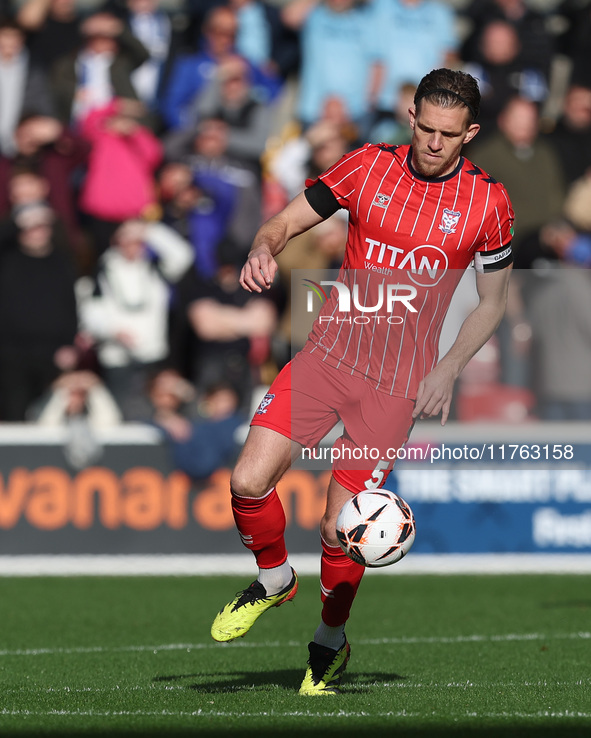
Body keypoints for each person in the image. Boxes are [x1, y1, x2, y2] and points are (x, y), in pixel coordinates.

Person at [209, 68, 515, 695]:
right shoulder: (366, 166)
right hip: (328, 355)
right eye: (425, 128)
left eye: (447, 134)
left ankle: (329, 639)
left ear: (470, 134)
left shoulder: (490, 202)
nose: (433, 142)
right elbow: (284, 221)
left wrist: (448, 367)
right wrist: (262, 248)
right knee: (246, 479)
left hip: (396, 384)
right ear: (411, 119)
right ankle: (273, 579)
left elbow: (492, 302)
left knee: (338, 527)